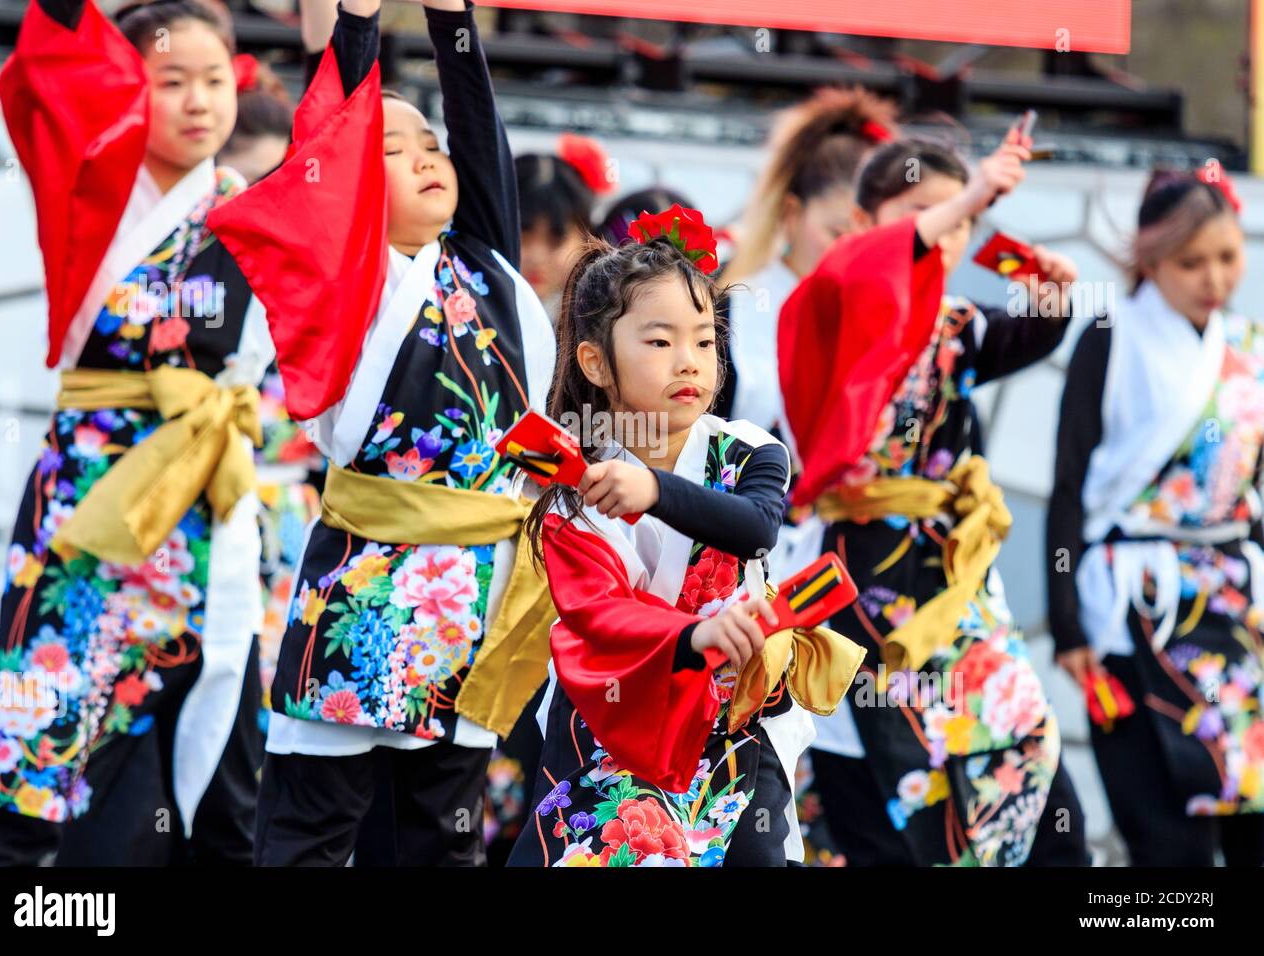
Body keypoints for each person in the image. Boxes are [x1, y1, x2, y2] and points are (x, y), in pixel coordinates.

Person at [208, 0, 556, 866]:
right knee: (311, 835)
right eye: (392, 152)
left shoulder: (486, 266)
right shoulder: (346, 278)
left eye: (429, 146)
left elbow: (476, 131)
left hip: (474, 593)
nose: (427, 158)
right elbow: (331, 140)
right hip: (363, 584)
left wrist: (452, 21)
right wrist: (358, 21)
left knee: (441, 839)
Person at [0, 0, 271, 865]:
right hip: (89, 515)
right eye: (170, 82)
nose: (200, 102)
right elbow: (51, 64)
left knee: (208, 786)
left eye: (215, 81)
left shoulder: (251, 212)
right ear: (121, 95)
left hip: (205, 520)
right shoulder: (88, 190)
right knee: (34, 755)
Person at [507, 206, 863, 867]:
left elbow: (756, 528)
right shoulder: (571, 480)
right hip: (613, 720)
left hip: (734, 723)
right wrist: (692, 636)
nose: (690, 362)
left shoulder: (751, 450)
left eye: (704, 340)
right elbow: (596, 614)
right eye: (660, 341)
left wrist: (656, 493)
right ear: (596, 362)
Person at [777, 130, 1090, 866]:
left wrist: (1055, 298)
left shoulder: (957, 325)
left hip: (955, 581)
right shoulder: (831, 303)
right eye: (928, 210)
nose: (951, 227)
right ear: (862, 224)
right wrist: (973, 194)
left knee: (1027, 754)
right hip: (863, 584)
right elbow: (868, 276)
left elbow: (1023, 337)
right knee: (905, 788)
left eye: (964, 218)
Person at [1048, 168, 1264, 866]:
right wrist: (1067, 623)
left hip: (1234, 603)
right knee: (1166, 834)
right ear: (1150, 260)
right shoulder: (1109, 338)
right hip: (1132, 601)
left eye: (1227, 257)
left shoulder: (1248, 348)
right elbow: (1069, 485)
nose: (1213, 278)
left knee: (1253, 815)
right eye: (1190, 262)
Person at [718, 88, 895, 432]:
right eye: (837, 232)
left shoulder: (889, 313)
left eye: (869, 238)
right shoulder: (729, 302)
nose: (851, 251)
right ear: (792, 211)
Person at [516, 135, 612, 322]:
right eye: (522, 236)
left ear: (587, 240)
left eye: (556, 240)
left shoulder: (601, 325)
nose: (537, 257)